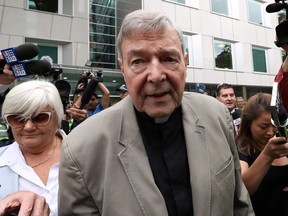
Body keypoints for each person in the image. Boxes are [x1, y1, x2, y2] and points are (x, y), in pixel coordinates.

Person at [58, 10, 254, 215]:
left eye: (168, 58)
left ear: (185, 62)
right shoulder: (81, 148)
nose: (156, 75)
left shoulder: (216, 115)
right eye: (138, 62)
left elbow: (240, 206)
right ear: (122, 68)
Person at [0, 80, 66, 216]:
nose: (29, 127)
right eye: (17, 118)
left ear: (57, 116)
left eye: (39, 117)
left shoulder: (88, 157)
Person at [237, 93, 288, 216]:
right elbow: (244, 189)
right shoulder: (242, 148)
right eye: (263, 126)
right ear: (249, 123)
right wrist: (267, 155)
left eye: (275, 125)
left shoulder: (282, 141)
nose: (270, 132)